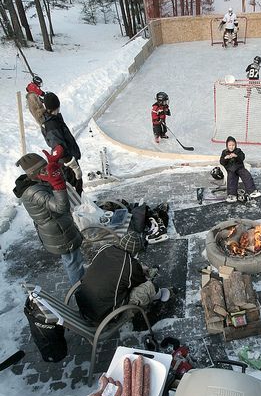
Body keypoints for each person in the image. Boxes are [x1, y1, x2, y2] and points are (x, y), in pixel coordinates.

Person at [13, 149, 85, 285]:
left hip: (60, 226)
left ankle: (82, 283)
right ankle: (81, 291)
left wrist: (54, 166)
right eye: (43, 169)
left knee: (75, 259)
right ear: (34, 174)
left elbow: (55, 183)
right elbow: (61, 207)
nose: (46, 171)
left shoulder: (37, 181)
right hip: (58, 232)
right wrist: (57, 184)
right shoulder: (34, 191)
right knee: (73, 262)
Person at [75, 231, 169, 324]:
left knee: (122, 280)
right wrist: (139, 271)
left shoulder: (106, 248)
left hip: (83, 304)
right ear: (135, 252)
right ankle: (159, 296)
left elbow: (114, 267)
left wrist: (136, 268)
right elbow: (141, 282)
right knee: (150, 287)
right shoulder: (130, 265)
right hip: (103, 316)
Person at [40, 92, 83, 195]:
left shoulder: (55, 118)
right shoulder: (51, 125)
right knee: (75, 187)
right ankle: (80, 207)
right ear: (56, 106)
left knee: (77, 186)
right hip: (66, 163)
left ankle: (81, 203)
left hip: (69, 159)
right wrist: (73, 166)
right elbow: (59, 148)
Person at [220, 136, 261, 202]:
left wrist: (236, 156)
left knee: (246, 175)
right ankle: (232, 195)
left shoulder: (238, 151)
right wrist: (225, 158)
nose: (231, 147)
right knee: (231, 179)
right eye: (229, 145)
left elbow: (242, 157)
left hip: (239, 168)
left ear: (235, 145)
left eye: (233, 145)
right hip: (231, 169)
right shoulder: (224, 152)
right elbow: (221, 162)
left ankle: (252, 191)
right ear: (227, 145)